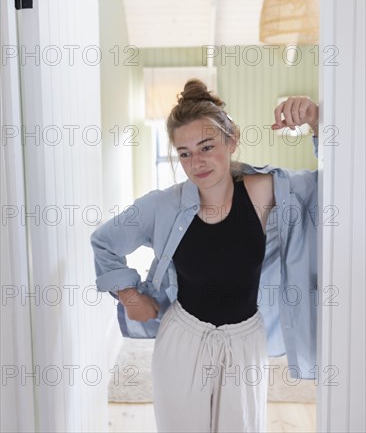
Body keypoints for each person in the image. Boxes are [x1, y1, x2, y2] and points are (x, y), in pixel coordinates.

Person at [91, 79, 319, 433]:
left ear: (231, 140)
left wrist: (318, 123)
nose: (196, 162)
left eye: (206, 146)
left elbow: (337, 185)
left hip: (246, 342)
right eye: (184, 153)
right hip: (183, 340)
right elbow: (104, 241)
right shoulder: (161, 205)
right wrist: (129, 296)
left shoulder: (267, 191)